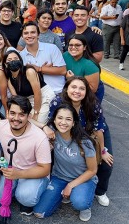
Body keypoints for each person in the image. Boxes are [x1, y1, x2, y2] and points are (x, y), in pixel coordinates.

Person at [48, 77, 114, 207]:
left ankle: (100, 191)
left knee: (105, 162)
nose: (77, 91)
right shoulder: (57, 101)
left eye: (81, 88)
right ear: (67, 89)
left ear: (86, 91)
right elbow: (52, 122)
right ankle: (58, 186)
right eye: (73, 87)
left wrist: (102, 151)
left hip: (91, 135)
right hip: (67, 135)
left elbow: (98, 130)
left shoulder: (93, 104)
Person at [0, 96, 52, 217]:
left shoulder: (39, 137)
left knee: (26, 198)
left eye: (22, 115)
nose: (16, 118)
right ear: (7, 113)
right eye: (12, 113)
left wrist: (19, 174)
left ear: (29, 116)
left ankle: (35, 189)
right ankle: (16, 189)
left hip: (33, 172)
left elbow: (45, 169)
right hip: (8, 171)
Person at [33, 104, 98, 222]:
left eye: (68, 119)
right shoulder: (53, 134)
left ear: (73, 123)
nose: (63, 122)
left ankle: (85, 203)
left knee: (79, 203)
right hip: (59, 177)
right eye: (60, 118)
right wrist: (44, 127)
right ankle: (64, 194)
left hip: (83, 179)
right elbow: (28, 120)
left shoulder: (84, 142)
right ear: (54, 120)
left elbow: (92, 170)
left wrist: (70, 185)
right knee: (40, 212)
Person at [3, 50, 55, 124]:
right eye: (9, 60)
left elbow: (37, 93)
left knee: (38, 122)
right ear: (5, 64)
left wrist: (36, 113)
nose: (13, 61)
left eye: (15, 59)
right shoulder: (9, 78)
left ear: (20, 60)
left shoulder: (29, 71)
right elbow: (16, 98)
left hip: (43, 96)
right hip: (28, 100)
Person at [19, 22, 67, 94]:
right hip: (37, 95)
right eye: (26, 33)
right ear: (22, 37)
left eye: (33, 32)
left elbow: (62, 70)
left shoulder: (52, 48)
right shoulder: (20, 56)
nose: (29, 35)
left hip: (57, 92)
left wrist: (39, 69)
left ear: (38, 35)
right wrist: (48, 69)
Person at [64, 34, 103, 101]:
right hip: (74, 93)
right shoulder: (65, 55)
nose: (73, 47)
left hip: (89, 96)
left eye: (77, 45)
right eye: (71, 45)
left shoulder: (90, 65)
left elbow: (92, 89)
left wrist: (72, 79)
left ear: (84, 47)